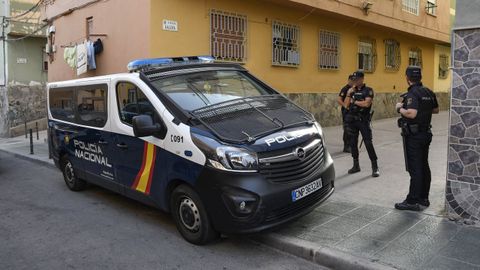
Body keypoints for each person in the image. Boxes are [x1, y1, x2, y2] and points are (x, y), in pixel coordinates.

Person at [394, 66, 439, 211]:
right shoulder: (428, 92)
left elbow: (411, 114)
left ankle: (412, 201)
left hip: (414, 136)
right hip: (426, 134)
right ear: (420, 77)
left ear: (407, 78)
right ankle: (424, 198)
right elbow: (436, 109)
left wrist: (399, 108)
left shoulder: (412, 93)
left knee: (415, 168)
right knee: (424, 165)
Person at [343, 71, 380, 177]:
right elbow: (346, 105)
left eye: (357, 79)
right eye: (354, 79)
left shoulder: (368, 90)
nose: (355, 81)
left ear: (362, 79)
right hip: (352, 121)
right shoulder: (351, 90)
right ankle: (356, 165)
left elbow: (367, 103)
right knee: (353, 144)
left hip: (363, 121)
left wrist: (354, 102)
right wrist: (349, 94)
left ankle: (375, 167)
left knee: (368, 143)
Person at [338, 75, 355, 153]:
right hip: (346, 112)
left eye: (354, 80)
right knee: (347, 129)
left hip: (353, 112)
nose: (353, 82)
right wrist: (345, 106)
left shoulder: (355, 89)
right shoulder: (345, 89)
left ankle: (351, 145)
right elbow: (339, 100)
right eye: (351, 80)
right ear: (348, 80)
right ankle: (346, 146)